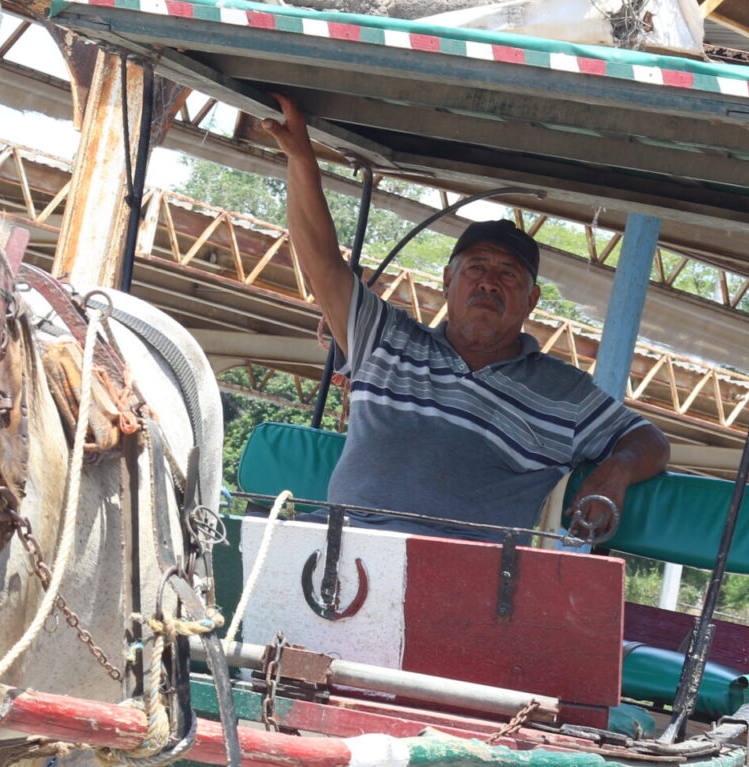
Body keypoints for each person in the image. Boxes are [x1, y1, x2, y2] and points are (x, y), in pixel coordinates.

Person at [262, 94, 670, 543]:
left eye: (508, 274)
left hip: (464, 573)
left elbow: (649, 440)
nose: (489, 283)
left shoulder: (566, 393)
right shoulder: (382, 337)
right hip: (344, 545)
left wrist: (617, 469)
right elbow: (320, 261)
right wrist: (301, 159)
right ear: (447, 280)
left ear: (531, 300)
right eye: (476, 267)